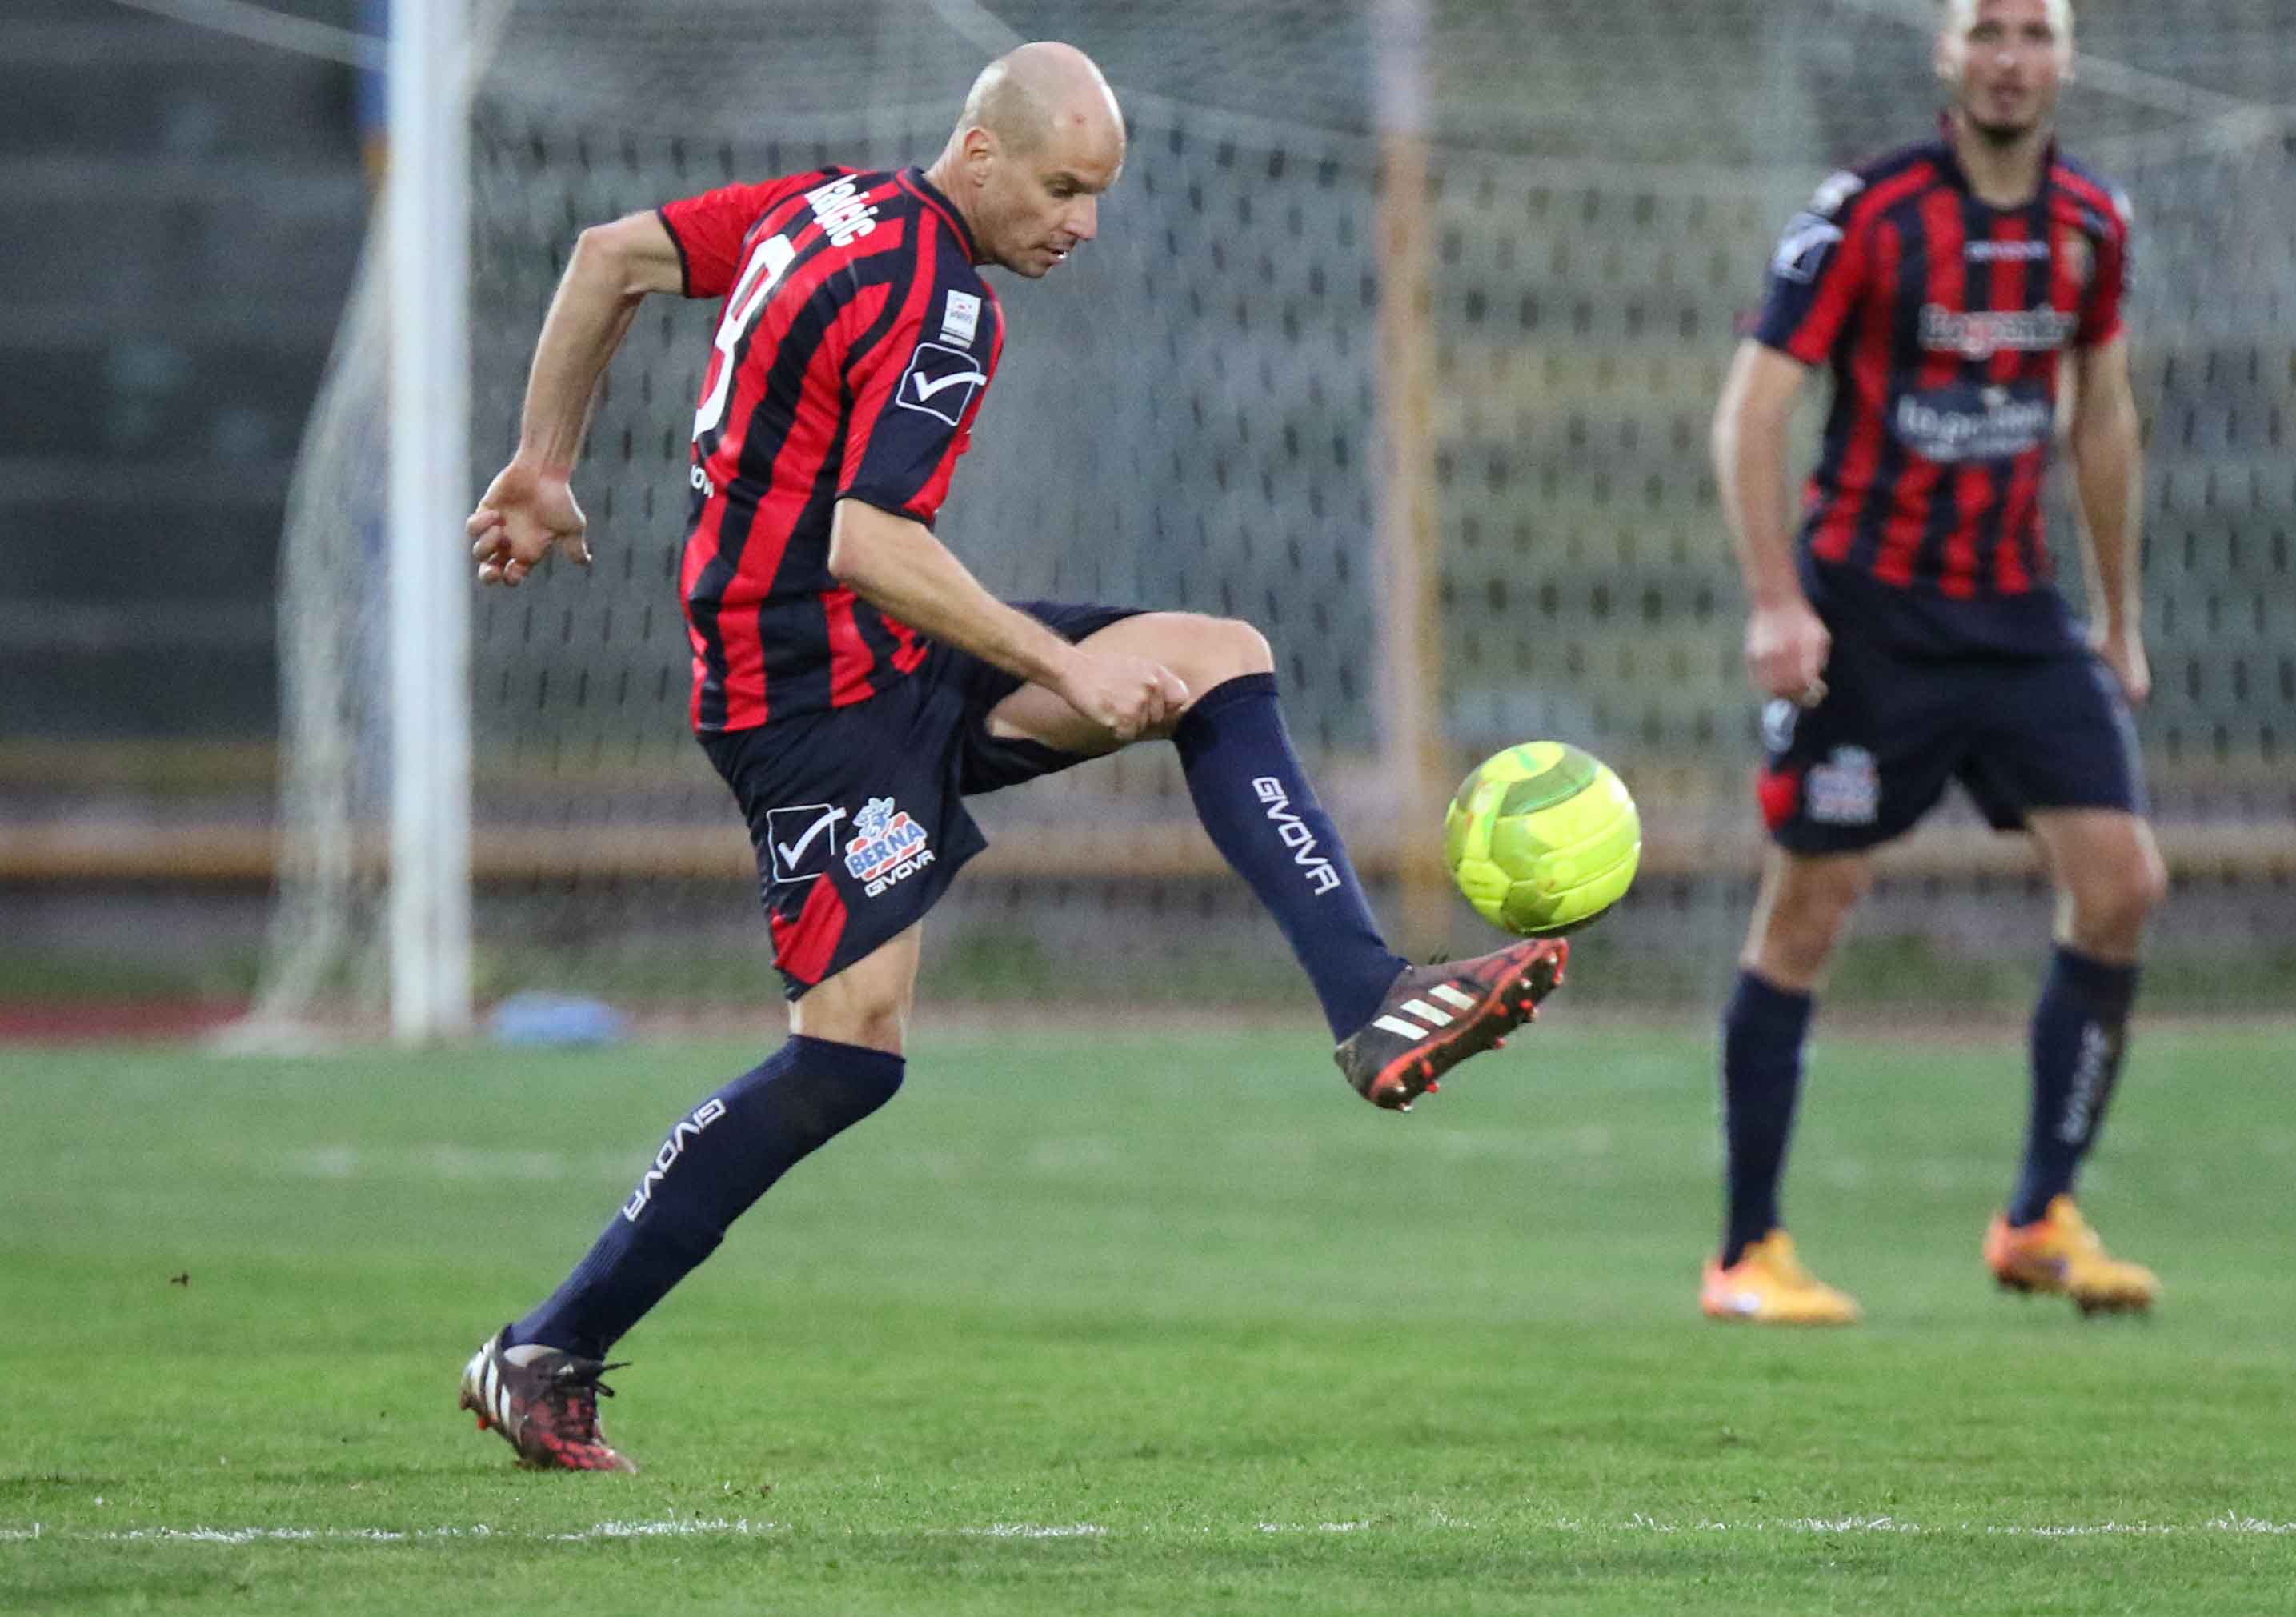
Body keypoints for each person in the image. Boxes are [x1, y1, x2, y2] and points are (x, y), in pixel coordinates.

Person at [456, 42, 1569, 1471]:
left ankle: (1373, 998)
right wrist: (1062, 664)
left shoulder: (828, 207)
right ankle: (546, 1346)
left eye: (1098, 194)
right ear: (979, 154)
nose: (1081, 225)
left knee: (1219, 656)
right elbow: (863, 537)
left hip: (882, 656)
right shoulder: (942, 305)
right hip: (807, 702)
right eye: (1062, 188)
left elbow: (612, 255)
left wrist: (548, 462)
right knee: (850, 1057)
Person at [1701, 0, 2166, 1326]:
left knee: (2124, 881)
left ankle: (2039, 1215)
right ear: (1945, 57)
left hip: (2017, 620)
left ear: (2069, 58)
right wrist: (1778, 602)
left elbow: (2106, 419)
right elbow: (1753, 414)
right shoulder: (1868, 214)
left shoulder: (2092, 224)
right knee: (1808, 913)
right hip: (1869, 621)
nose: (2011, 55)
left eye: (2037, 31)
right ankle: (1748, 1252)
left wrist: (2120, 618)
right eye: (1988, 30)